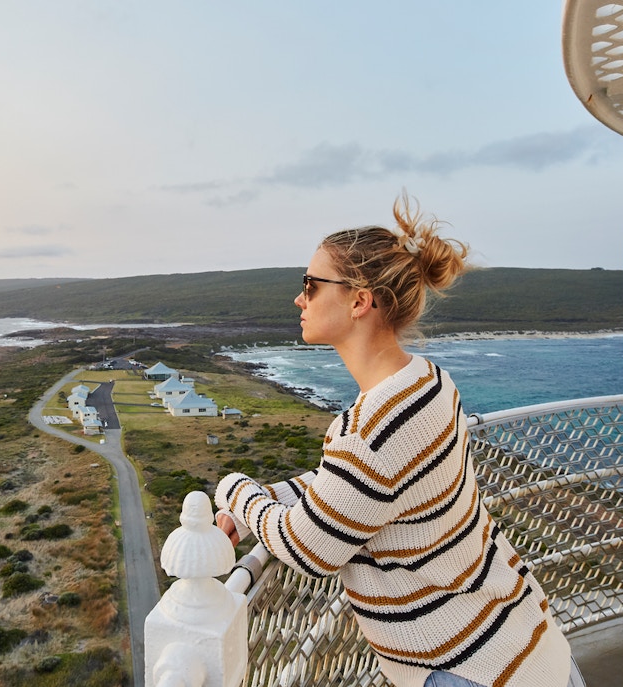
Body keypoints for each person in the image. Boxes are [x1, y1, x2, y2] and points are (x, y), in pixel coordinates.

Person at [214, 195, 582, 687]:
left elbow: (309, 547)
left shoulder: (372, 429)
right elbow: (352, 489)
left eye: (310, 284)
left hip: (463, 668)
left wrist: (235, 491)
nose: (299, 299)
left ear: (359, 300)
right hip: (527, 643)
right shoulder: (429, 383)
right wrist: (277, 497)